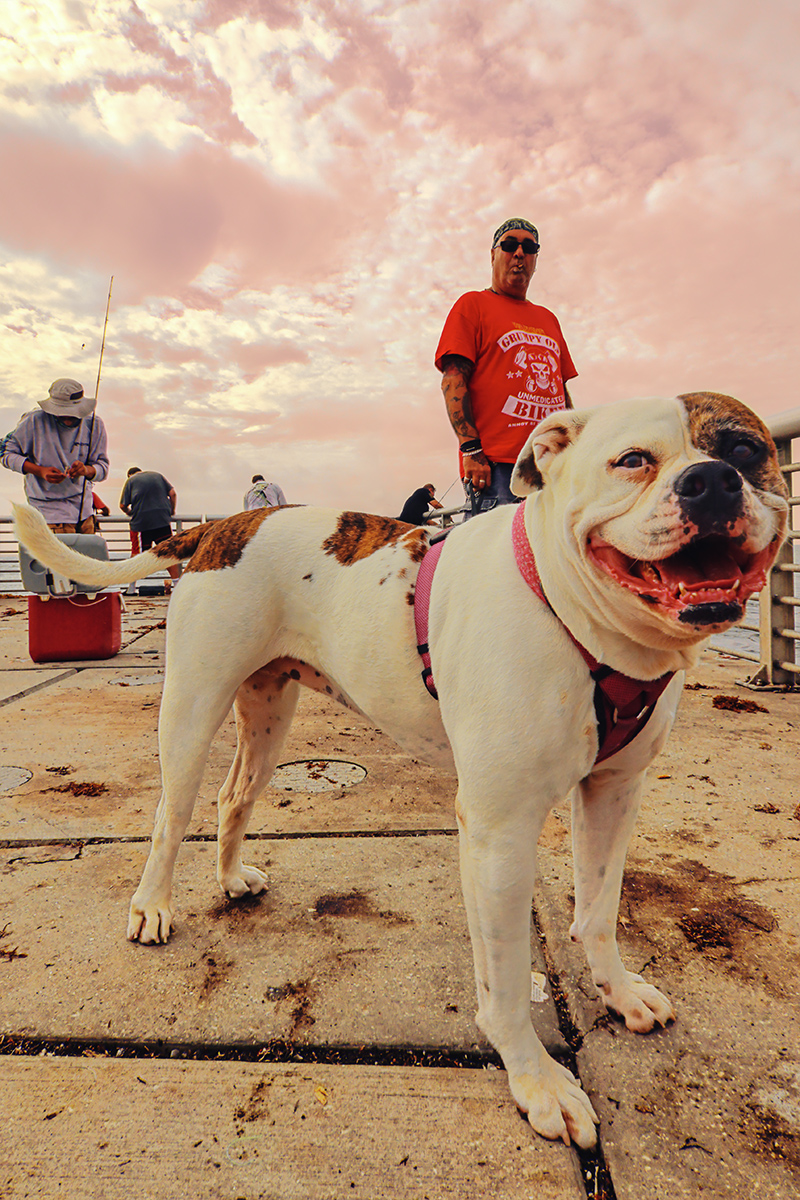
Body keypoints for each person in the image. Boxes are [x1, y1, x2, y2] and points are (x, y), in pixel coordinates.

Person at [435, 218, 577, 514]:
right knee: (499, 558)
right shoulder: (472, 305)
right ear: (493, 254)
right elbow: (452, 380)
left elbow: (560, 390)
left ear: (536, 259)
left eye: (529, 247)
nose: (519, 253)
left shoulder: (548, 319)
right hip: (498, 468)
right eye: (510, 245)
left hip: (552, 465)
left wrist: (575, 447)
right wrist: (471, 450)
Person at [0, 378, 109, 532]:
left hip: (84, 516)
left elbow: (102, 468)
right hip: (47, 516)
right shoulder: (33, 420)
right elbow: (5, 453)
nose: (68, 419)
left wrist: (86, 470)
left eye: (72, 414)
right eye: (61, 414)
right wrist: (39, 471)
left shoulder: (94, 424)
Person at [119, 467, 180, 584]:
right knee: (169, 553)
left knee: (138, 554)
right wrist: (172, 511)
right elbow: (172, 493)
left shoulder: (131, 480)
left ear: (130, 475)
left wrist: (130, 512)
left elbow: (122, 505)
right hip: (162, 519)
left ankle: (131, 587)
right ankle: (177, 584)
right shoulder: (158, 475)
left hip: (142, 522)